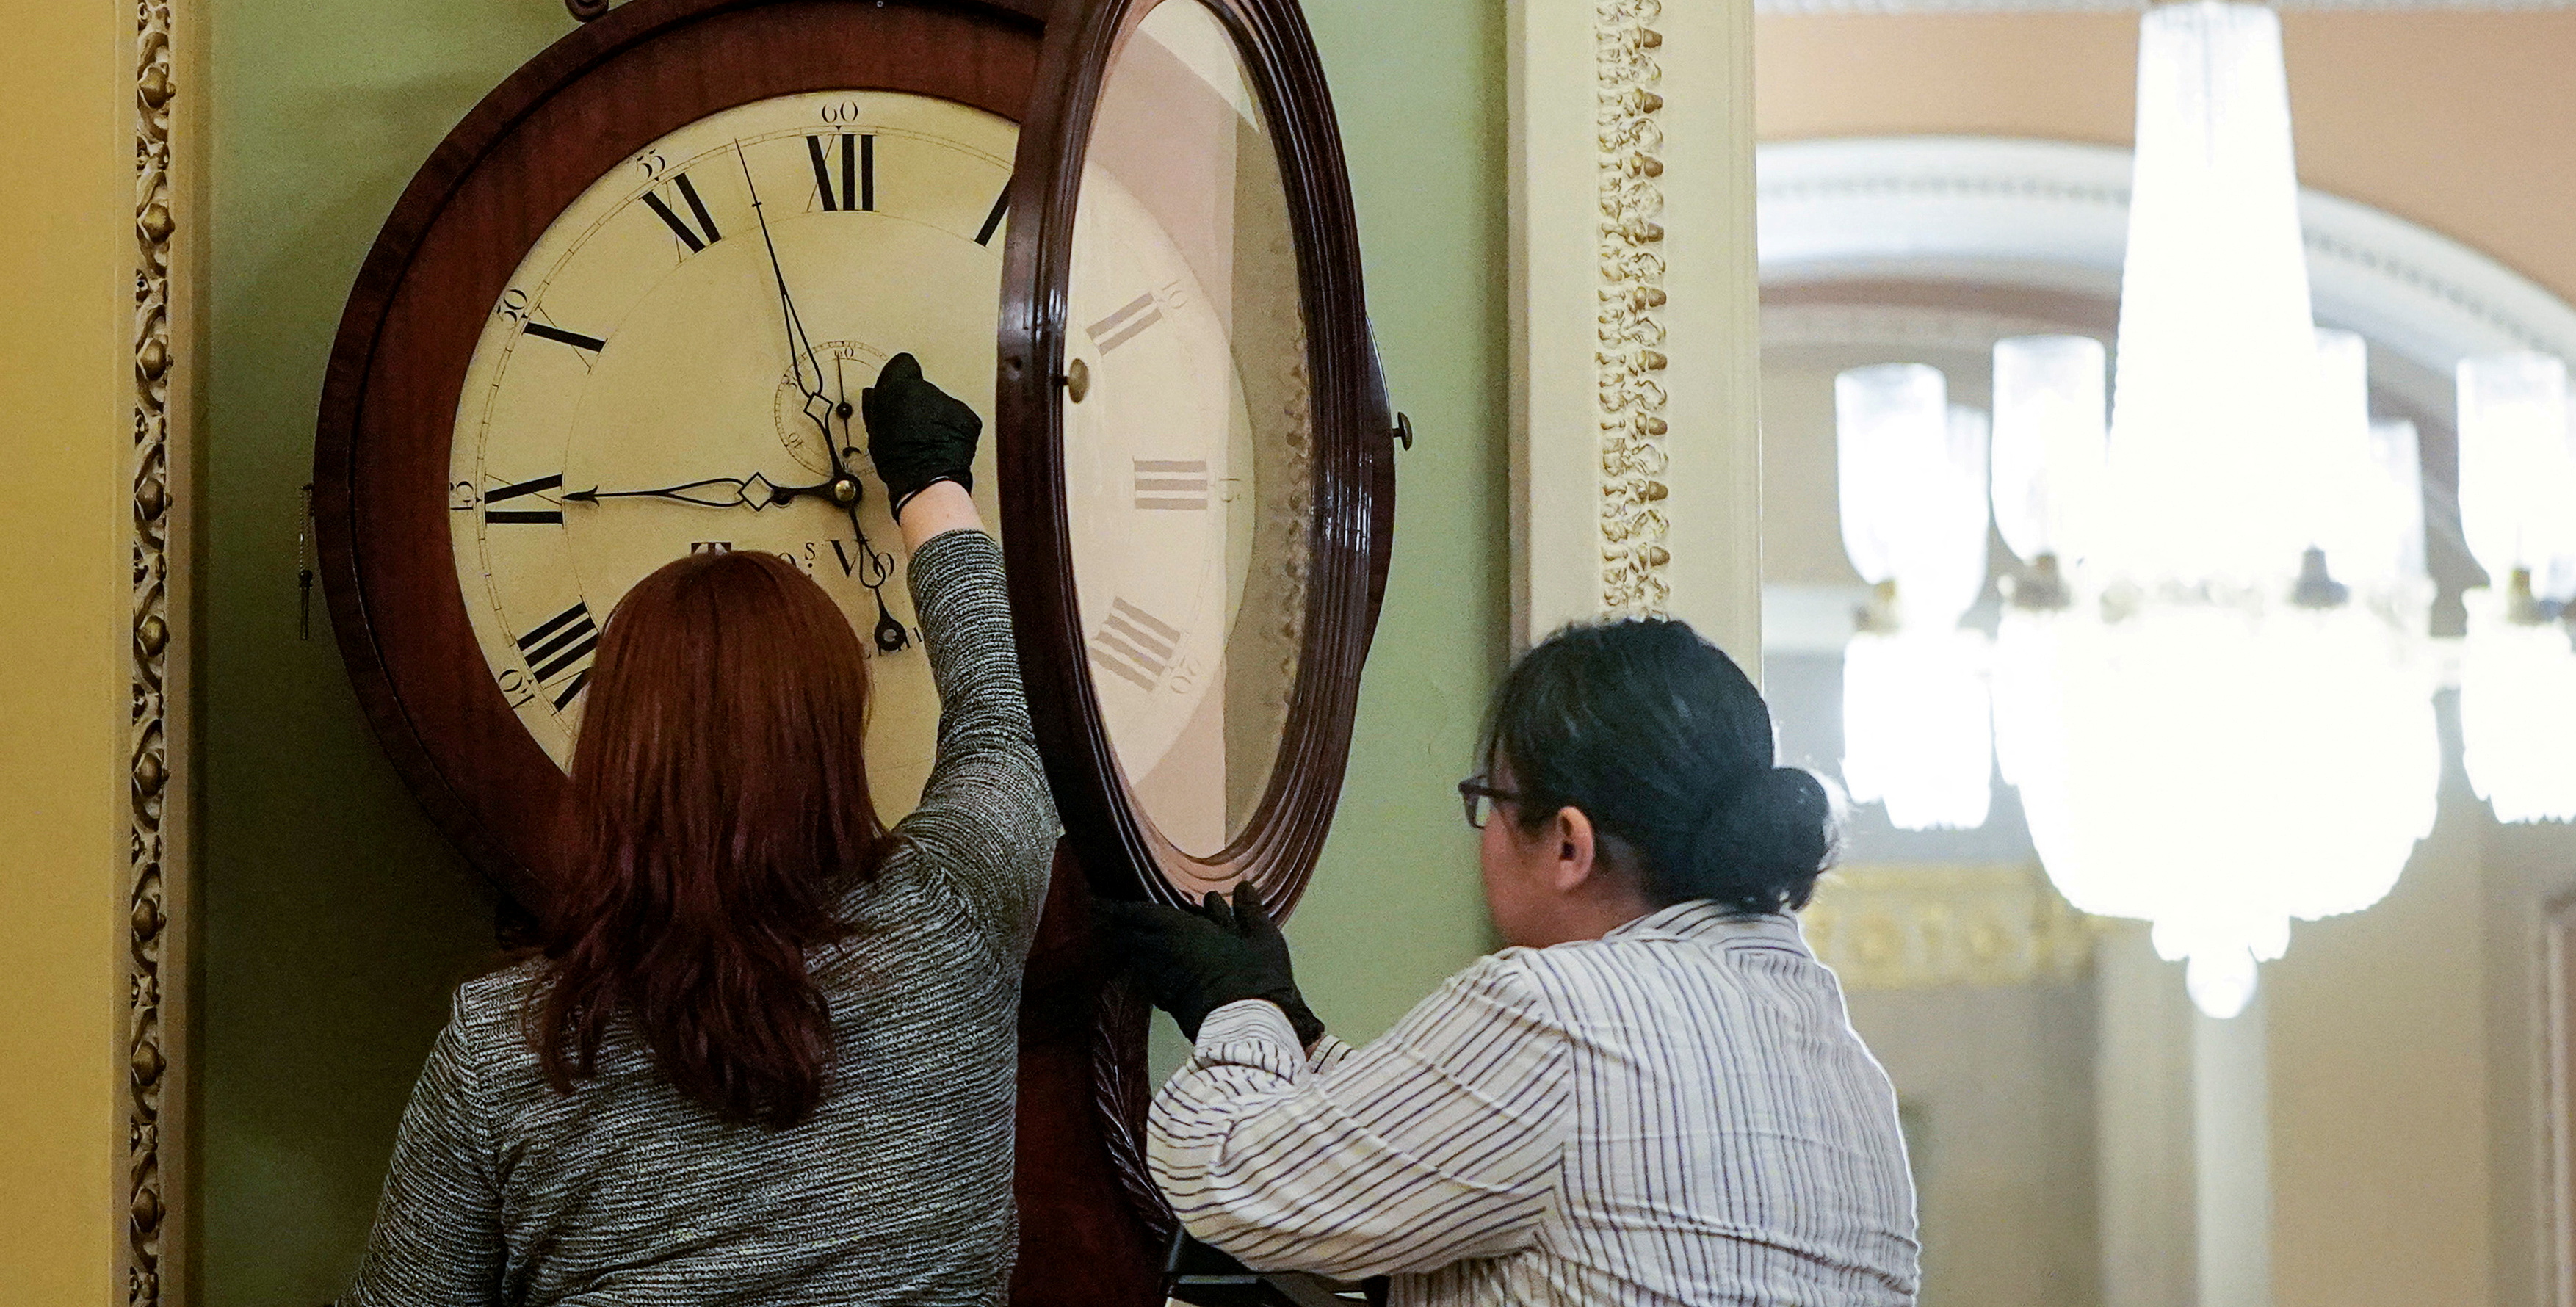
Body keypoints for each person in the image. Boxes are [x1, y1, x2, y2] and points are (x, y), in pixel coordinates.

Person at [337, 356, 1054, 1307]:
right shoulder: (948, 922)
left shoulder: (505, 1047)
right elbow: (1010, 718)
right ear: (831, 744)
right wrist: (931, 487)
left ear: (615, 752)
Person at [1105, 615, 1922, 1306]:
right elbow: (1448, 1147)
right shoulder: (1850, 1072)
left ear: (1568, 843)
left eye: (1488, 800)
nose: (1482, 835)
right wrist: (1298, 1030)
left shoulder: (1559, 1009)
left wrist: (1235, 1009)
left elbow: (1230, 1181)